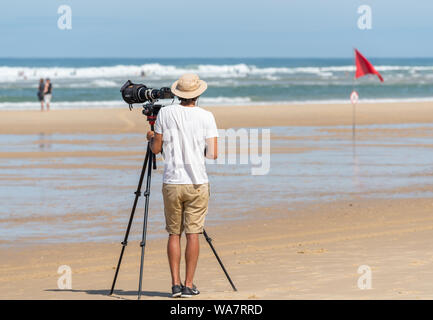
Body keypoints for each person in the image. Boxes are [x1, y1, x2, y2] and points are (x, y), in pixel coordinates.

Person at [146, 73, 218, 298]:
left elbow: (156, 149)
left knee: (173, 234)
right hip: (197, 182)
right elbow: (213, 153)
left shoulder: (165, 113)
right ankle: (189, 285)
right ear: (198, 94)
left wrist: (151, 138)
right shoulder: (207, 116)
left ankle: (175, 285)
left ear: (178, 94)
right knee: (193, 234)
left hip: (172, 181)